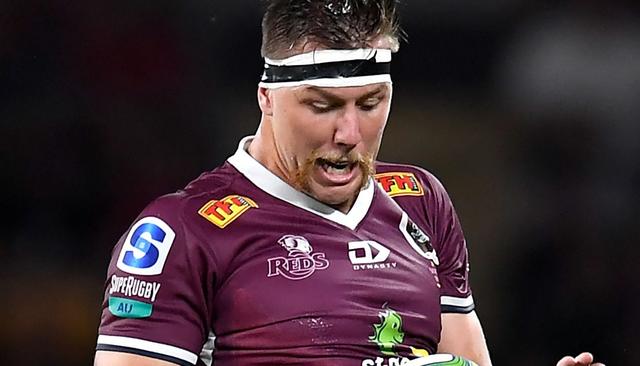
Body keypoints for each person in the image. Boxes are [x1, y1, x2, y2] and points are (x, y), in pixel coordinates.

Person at [94, 1, 603, 365]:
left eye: (370, 103)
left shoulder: (421, 201)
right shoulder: (178, 233)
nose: (349, 134)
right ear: (266, 97)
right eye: (323, 106)